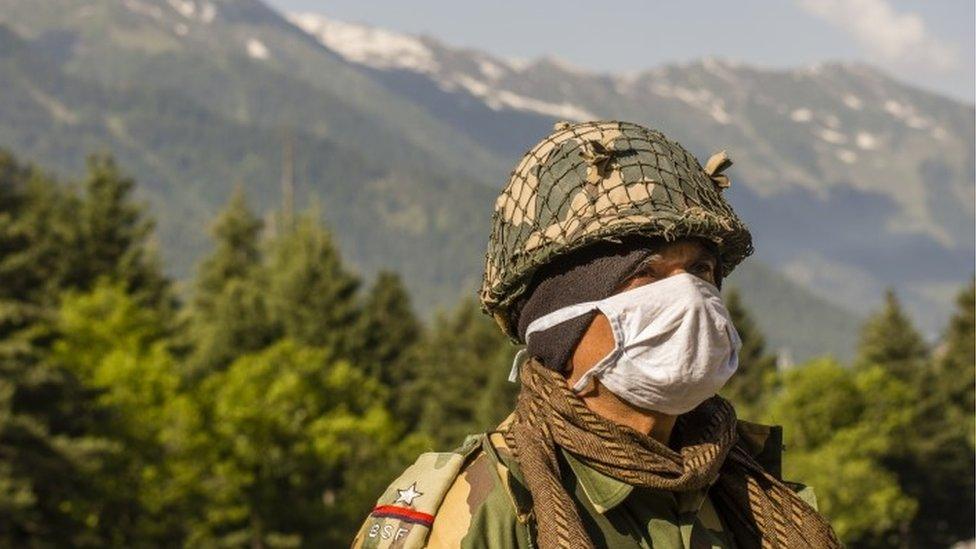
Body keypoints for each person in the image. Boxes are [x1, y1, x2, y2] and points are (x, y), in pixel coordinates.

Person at [351, 120, 840, 549]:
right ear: (562, 325)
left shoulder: (754, 497)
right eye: (646, 274)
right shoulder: (489, 504)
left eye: (701, 269)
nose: (689, 297)